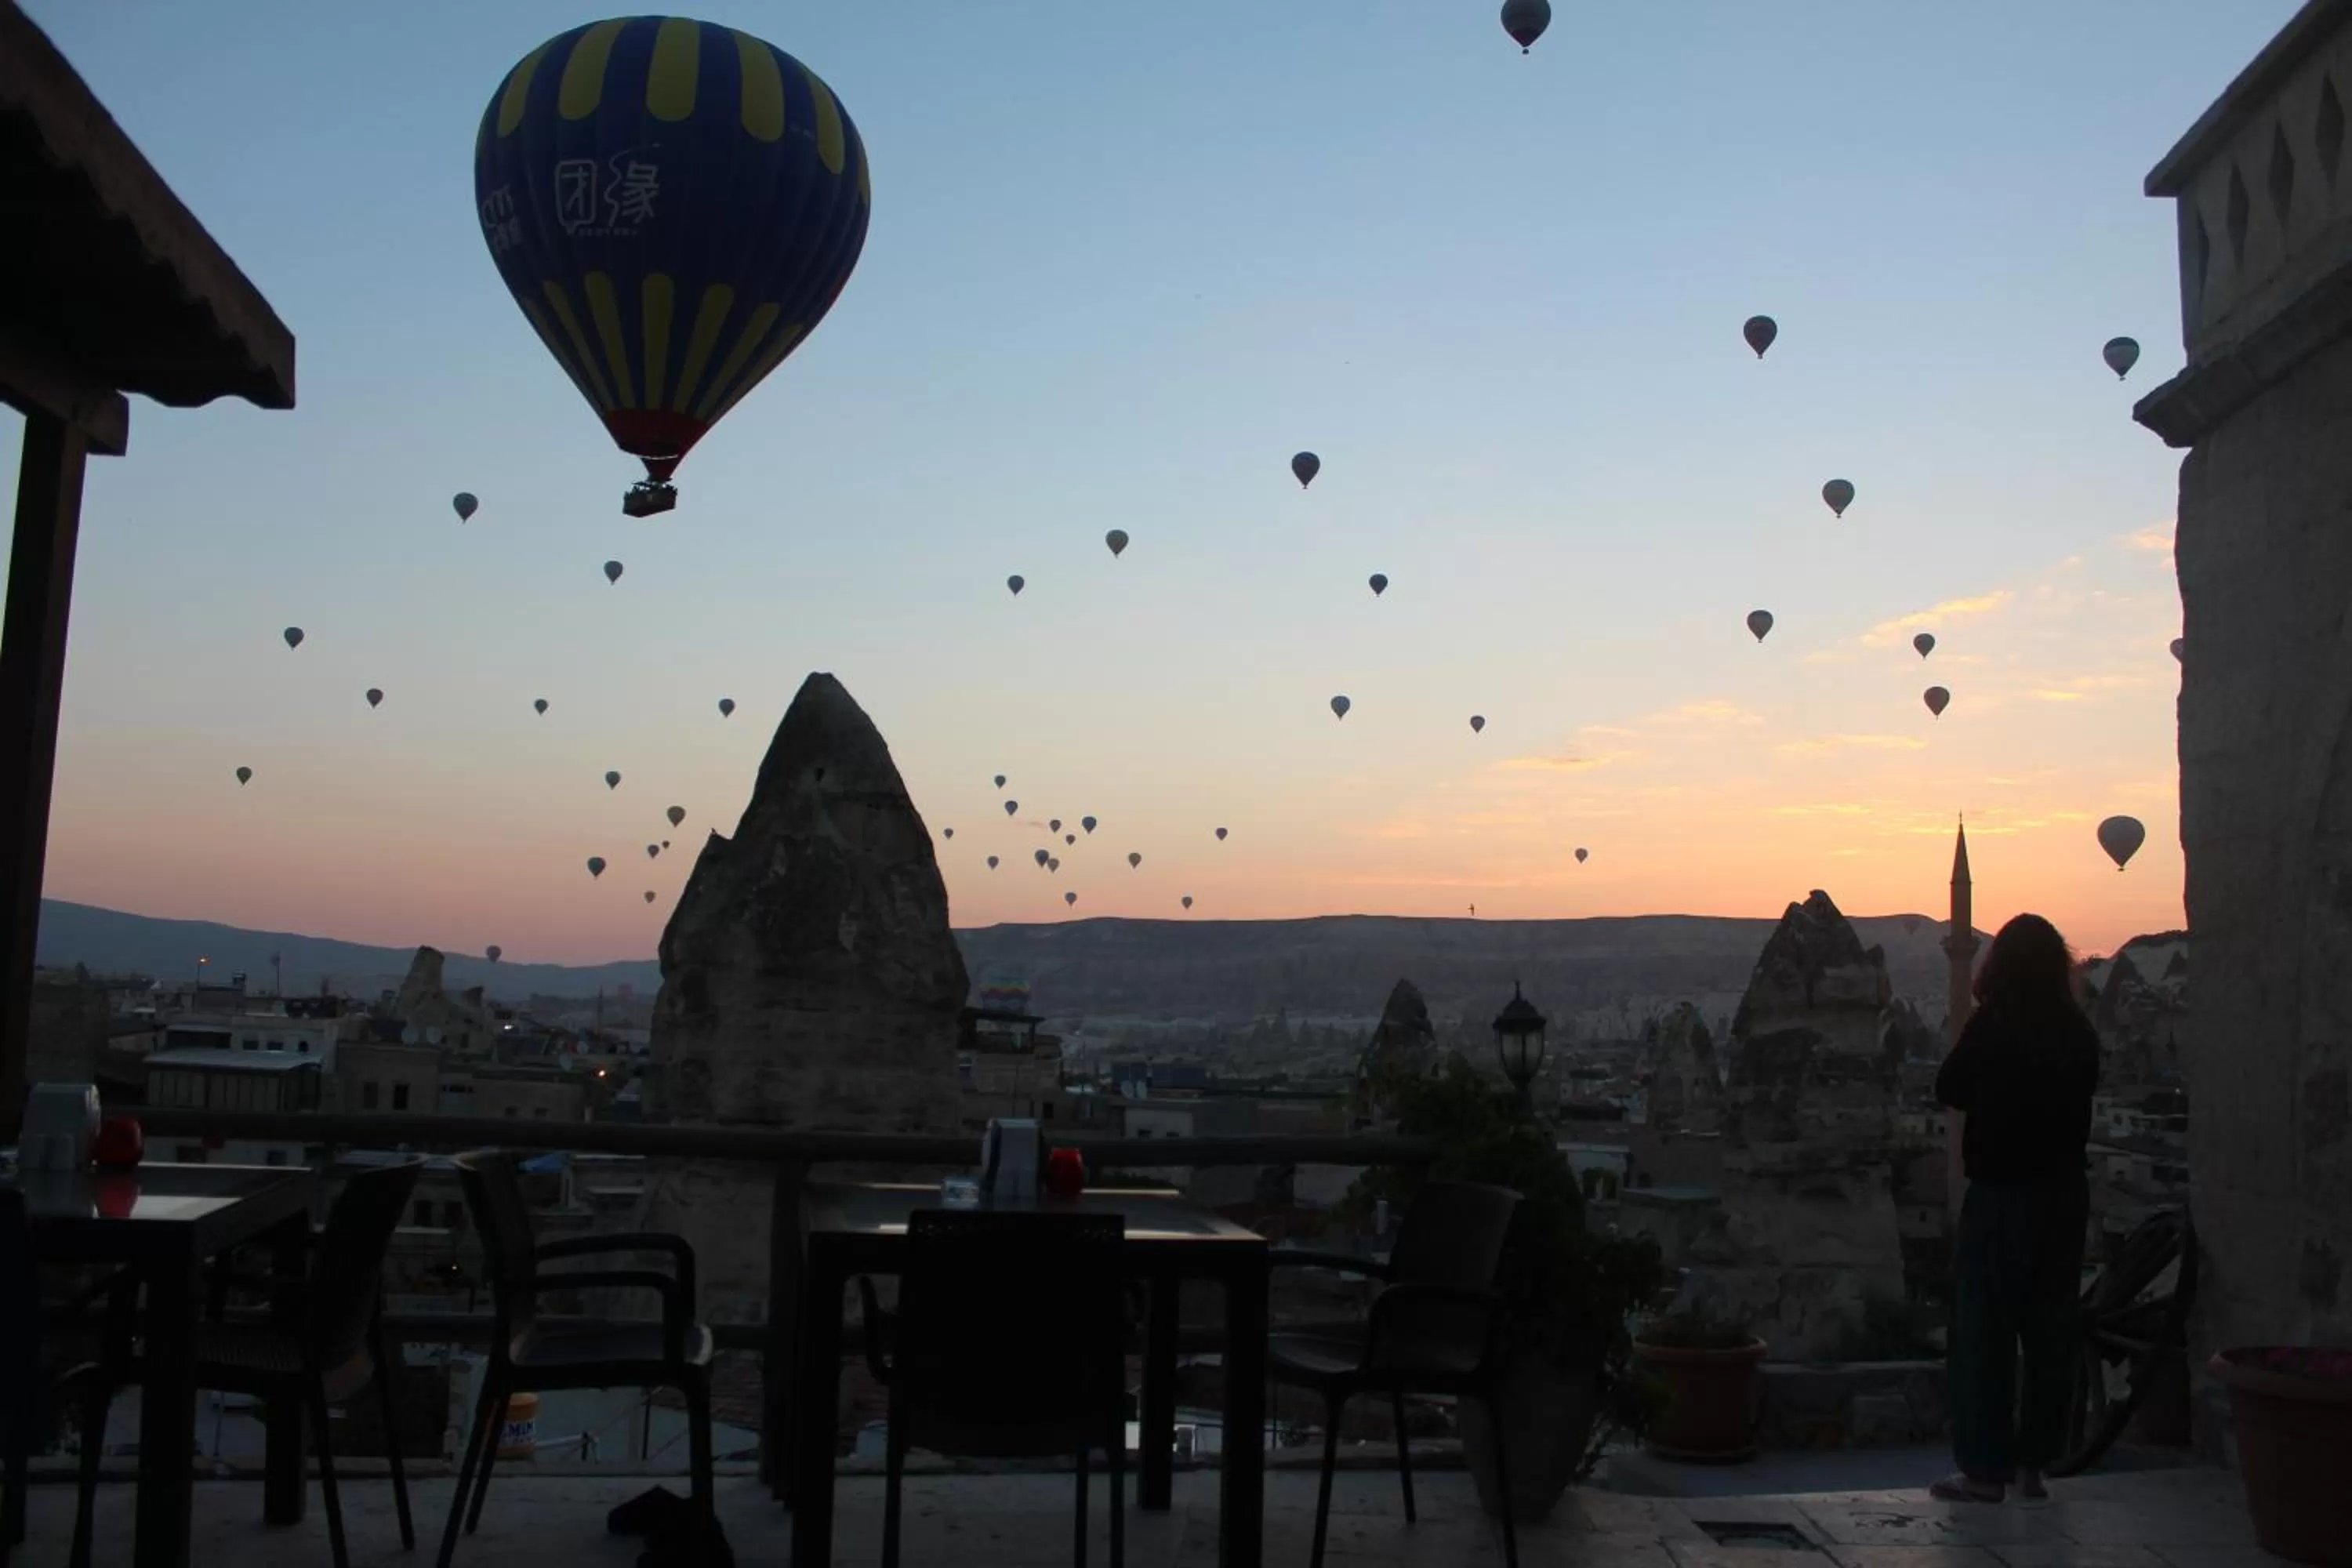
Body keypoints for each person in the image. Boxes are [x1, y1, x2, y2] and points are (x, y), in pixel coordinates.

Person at [1931, 913, 2099, 1504]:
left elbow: (1948, 1086)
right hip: (2063, 1196)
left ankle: (1983, 1471)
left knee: (1985, 1335)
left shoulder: (1994, 1026)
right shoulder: (2079, 1034)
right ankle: (2034, 1468)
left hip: (2003, 1196)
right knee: (2051, 1334)